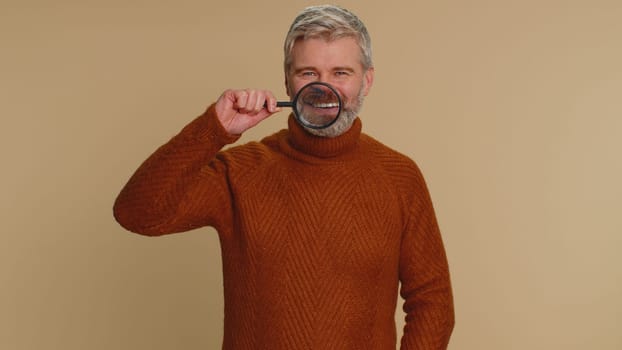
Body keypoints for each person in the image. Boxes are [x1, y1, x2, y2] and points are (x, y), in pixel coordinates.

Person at [114, 5, 454, 349]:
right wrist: (214, 129)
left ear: (366, 80)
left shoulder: (399, 177)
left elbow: (433, 300)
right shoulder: (240, 171)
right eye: (308, 73)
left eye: (341, 73)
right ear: (287, 81)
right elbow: (137, 213)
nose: (324, 88)